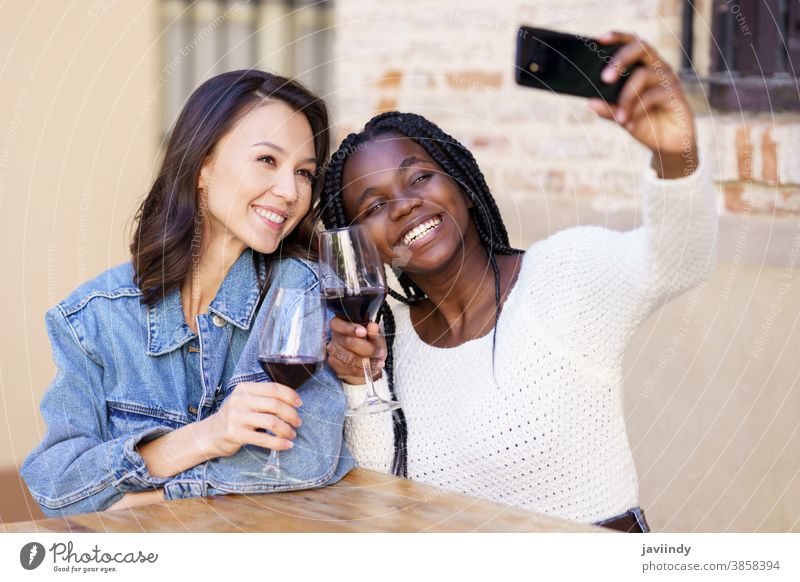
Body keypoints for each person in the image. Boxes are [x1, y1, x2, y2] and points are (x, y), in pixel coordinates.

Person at [321, 33, 718, 532]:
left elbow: (680, 260)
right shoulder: (384, 335)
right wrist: (361, 383)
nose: (403, 205)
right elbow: (378, 497)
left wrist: (676, 156)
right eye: (375, 206)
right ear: (363, 243)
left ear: (462, 186)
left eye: (419, 177)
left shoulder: (562, 274)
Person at [21, 70, 354, 518]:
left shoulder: (298, 289)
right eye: (267, 161)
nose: (291, 191)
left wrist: (154, 498)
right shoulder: (92, 319)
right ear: (202, 165)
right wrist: (207, 436)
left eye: (303, 172)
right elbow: (58, 486)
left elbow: (309, 455)